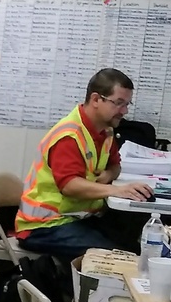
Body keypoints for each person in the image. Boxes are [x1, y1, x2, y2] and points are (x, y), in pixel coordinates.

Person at [15, 68, 154, 259]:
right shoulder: (68, 135)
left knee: (131, 247)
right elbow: (70, 186)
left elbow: (115, 165)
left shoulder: (106, 130)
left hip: (78, 217)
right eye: (119, 103)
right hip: (43, 225)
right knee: (117, 257)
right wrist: (116, 190)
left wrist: (109, 175)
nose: (124, 111)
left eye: (127, 104)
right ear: (96, 99)